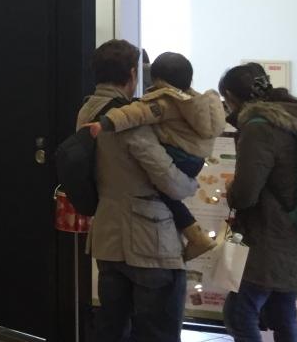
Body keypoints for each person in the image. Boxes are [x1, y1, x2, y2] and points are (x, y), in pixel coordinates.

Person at [81, 39, 199, 342]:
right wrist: (191, 182)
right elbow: (168, 179)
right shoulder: (127, 119)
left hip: (108, 236)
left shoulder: (87, 111)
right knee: (159, 335)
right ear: (133, 74)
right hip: (149, 239)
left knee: (113, 330)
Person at [209, 64, 297, 342]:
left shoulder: (259, 127)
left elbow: (247, 193)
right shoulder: (296, 118)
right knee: (284, 313)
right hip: (296, 236)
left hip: (266, 236)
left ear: (234, 98)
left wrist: (231, 190)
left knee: (240, 311)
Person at [83, 52, 224, 261]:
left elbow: (135, 114)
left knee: (159, 186)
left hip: (176, 161)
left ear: (157, 79)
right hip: (195, 159)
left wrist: (105, 123)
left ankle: (197, 236)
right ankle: (196, 236)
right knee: (167, 191)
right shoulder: (198, 103)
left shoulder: (164, 101)